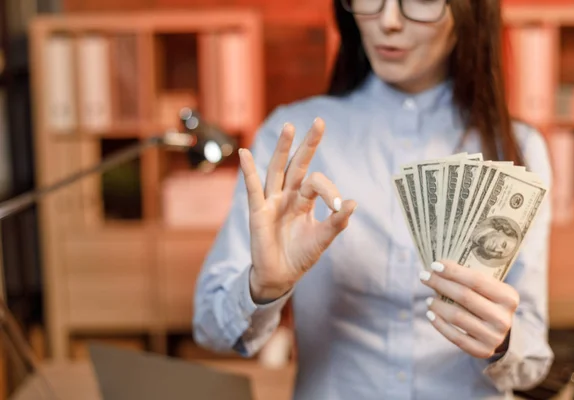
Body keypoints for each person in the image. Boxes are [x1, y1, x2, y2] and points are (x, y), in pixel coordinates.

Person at [192, 0, 555, 398]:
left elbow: (533, 360)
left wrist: (502, 341)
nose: (388, 21)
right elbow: (209, 328)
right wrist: (261, 286)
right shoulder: (291, 140)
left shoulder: (517, 150)